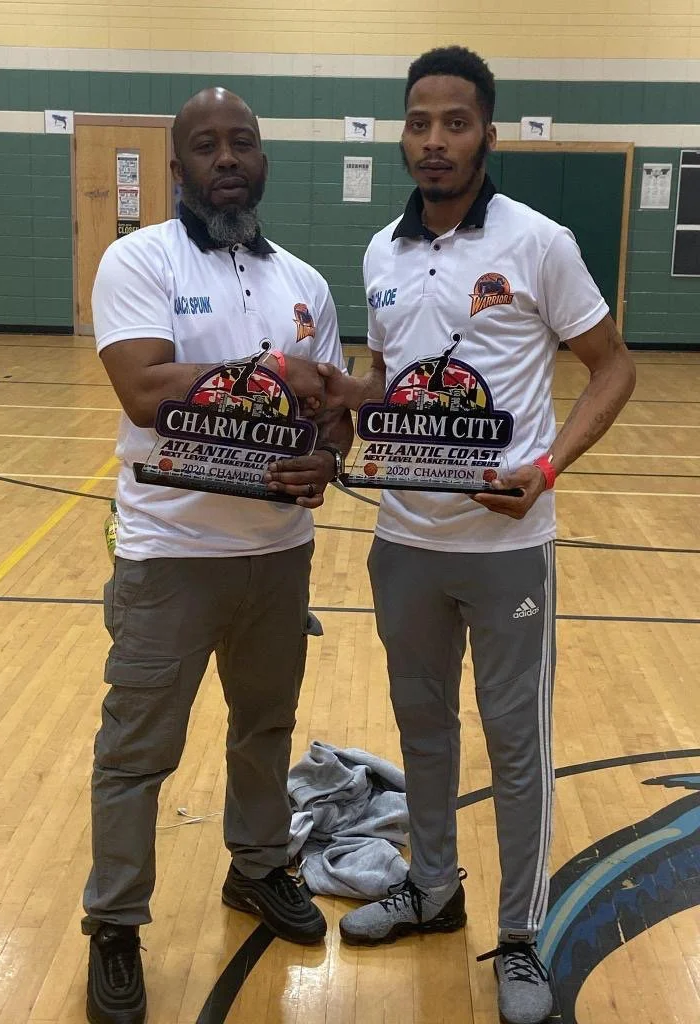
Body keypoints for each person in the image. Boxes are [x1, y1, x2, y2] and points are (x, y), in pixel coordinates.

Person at [318, 46, 636, 1024]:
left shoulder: (541, 241)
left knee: (515, 745)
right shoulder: (380, 250)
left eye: (455, 123)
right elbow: (390, 376)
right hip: (405, 540)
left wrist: (546, 470)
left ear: (487, 133)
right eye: (419, 123)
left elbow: (613, 368)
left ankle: (521, 937)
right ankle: (434, 886)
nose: (434, 141)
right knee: (422, 731)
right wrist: (345, 400)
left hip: (509, 549)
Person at [83, 87, 352, 1024]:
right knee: (137, 754)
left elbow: (334, 412)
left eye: (243, 142)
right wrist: (272, 373)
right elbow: (145, 390)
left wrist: (329, 454)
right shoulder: (138, 259)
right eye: (207, 145)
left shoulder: (305, 283)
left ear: (263, 158)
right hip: (170, 554)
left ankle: (256, 867)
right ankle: (115, 923)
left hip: (279, 553)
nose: (227, 157)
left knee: (265, 729)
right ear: (178, 167)